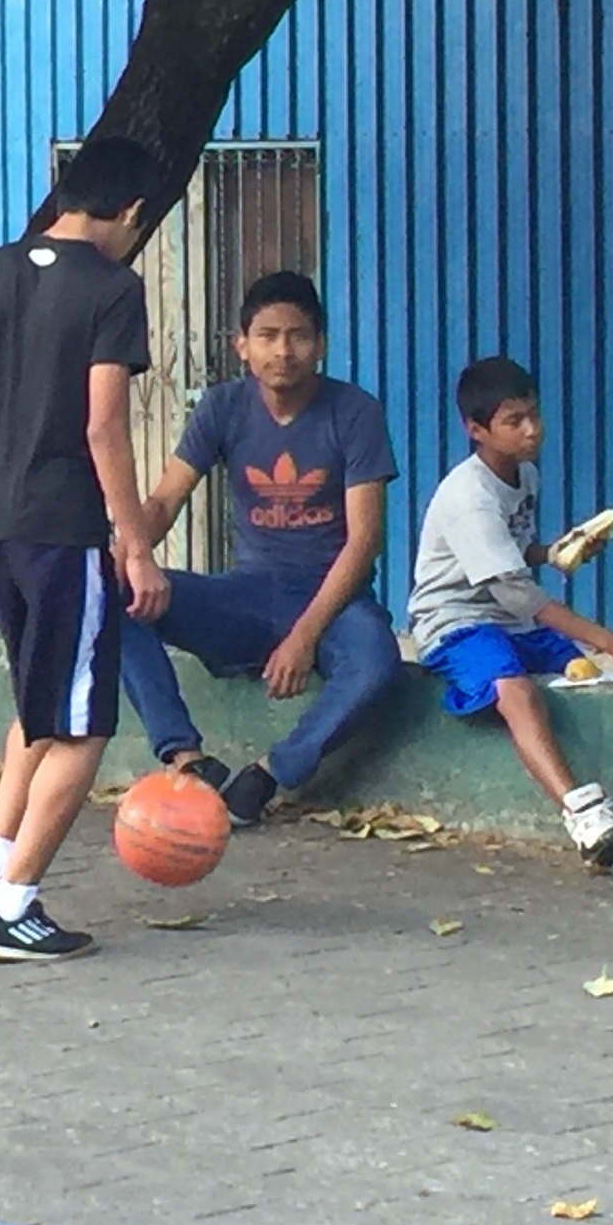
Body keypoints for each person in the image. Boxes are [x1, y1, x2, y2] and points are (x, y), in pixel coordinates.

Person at [0, 136, 166, 964]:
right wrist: (136, 545)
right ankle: (16, 908)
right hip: (62, 526)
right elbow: (102, 424)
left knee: (38, 699)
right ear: (128, 213)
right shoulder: (114, 288)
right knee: (84, 726)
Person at [116, 270, 400, 831]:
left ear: (320, 344)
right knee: (114, 600)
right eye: (267, 335)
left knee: (377, 664)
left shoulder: (356, 413)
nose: (283, 351)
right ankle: (186, 761)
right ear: (241, 345)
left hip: (334, 598)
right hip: (249, 592)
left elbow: (365, 541)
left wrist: (304, 636)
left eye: (298, 336)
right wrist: (127, 553)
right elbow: (166, 500)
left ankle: (269, 774)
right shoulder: (223, 407)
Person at [404, 355, 613, 867]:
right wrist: (611, 641)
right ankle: (581, 811)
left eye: (534, 415)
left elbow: (513, 553)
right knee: (513, 686)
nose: (532, 430)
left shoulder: (526, 475)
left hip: (507, 617)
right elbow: (517, 592)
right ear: (476, 430)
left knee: (579, 669)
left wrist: (558, 551)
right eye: (514, 421)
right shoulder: (469, 497)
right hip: (455, 622)